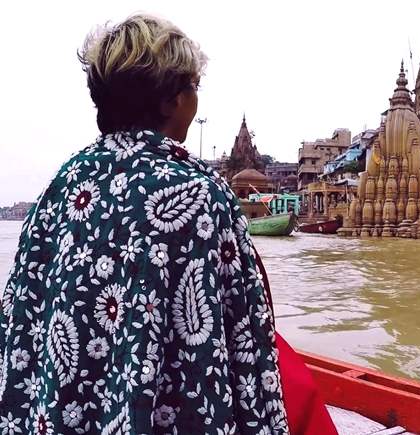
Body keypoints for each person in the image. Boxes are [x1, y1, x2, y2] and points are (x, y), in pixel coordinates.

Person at [0, 15, 335, 434]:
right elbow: (246, 339)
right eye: (192, 87)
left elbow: (21, 325)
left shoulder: (63, 185)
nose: (196, 102)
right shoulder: (199, 192)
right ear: (168, 100)